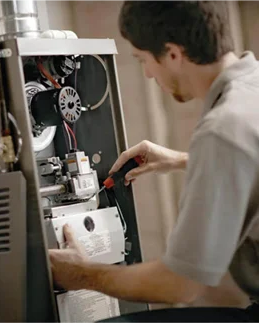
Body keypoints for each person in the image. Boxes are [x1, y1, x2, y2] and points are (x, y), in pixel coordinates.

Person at [49, 0, 259, 321]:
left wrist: (81, 273)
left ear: (173, 54)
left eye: (144, 60)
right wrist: (184, 160)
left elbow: (180, 285)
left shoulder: (222, 131)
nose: (147, 73)